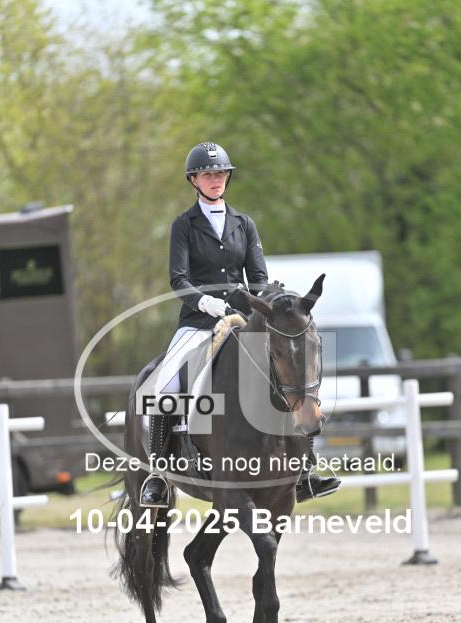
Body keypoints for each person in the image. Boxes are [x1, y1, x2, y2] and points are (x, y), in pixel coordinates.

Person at [140, 141, 340, 505]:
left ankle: (303, 471)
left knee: (288, 376)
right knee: (166, 385)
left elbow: (258, 277)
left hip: (242, 320)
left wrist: (264, 299)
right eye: (207, 174)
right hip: (197, 322)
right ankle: (157, 473)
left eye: (220, 173)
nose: (215, 179)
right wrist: (205, 301)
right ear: (194, 180)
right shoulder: (184, 226)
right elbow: (179, 279)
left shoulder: (243, 224)